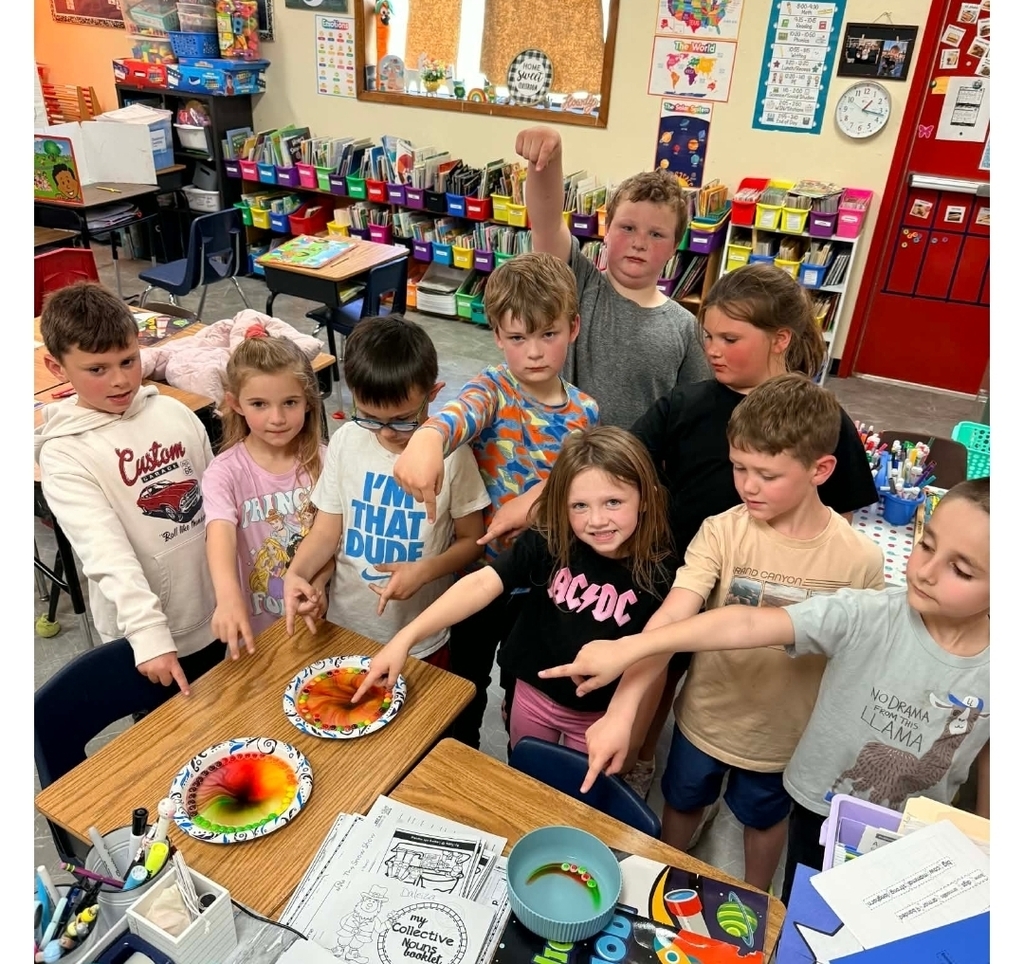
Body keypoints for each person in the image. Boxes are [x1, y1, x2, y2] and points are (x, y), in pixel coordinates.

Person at [542, 477, 990, 904]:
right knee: (802, 904)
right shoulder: (867, 614)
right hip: (820, 809)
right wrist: (631, 648)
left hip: (916, 838)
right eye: (926, 545)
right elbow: (746, 622)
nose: (925, 572)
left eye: (961, 570)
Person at [543, 374, 886, 892]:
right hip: (705, 718)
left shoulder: (859, 559)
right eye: (738, 467)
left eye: (767, 474)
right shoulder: (721, 530)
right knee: (681, 803)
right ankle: (663, 881)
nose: (747, 486)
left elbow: (860, 659)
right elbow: (672, 618)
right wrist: (621, 710)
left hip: (784, 737)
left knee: (764, 820)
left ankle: (755, 898)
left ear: (820, 469)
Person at [622, 263, 879, 799]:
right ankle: (641, 760)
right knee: (661, 669)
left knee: (747, 695)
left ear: (780, 339)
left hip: (767, 600)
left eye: (730, 339)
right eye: (708, 336)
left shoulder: (823, 419)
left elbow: (841, 524)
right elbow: (618, 460)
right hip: (682, 576)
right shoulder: (688, 404)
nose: (713, 350)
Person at [354, 427, 677, 754]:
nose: (596, 520)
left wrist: (635, 735)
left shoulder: (663, 571)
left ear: (646, 498)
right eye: (579, 505)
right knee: (523, 765)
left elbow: (654, 657)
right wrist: (405, 638)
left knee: (579, 784)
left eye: (613, 502)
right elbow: (482, 582)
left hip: (600, 714)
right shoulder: (549, 539)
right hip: (531, 695)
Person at [392, 252, 600, 747]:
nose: (534, 352)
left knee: (521, 690)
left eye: (548, 334)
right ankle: (458, 756)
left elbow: (579, 489)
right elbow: (458, 414)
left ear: (572, 328)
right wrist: (427, 439)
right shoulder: (494, 386)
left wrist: (540, 500)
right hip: (479, 578)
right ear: (498, 336)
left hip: (545, 587)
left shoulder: (586, 412)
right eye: (518, 338)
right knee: (464, 684)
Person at [35, 282, 222, 700]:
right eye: (97, 370)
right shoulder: (65, 455)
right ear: (57, 367)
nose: (120, 381)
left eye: (128, 361)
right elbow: (106, 553)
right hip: (149, 640)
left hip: (218, 610)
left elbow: (219, 508)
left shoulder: (174, 412)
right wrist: (149, 634)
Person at [282, 314, 490, 667]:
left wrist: (425, 571)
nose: (387, 432)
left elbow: (473, 541)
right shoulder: (346, 441)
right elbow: (326, 532)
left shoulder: (453, 456)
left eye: (403, 419)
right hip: (345, 626)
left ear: (433, 394)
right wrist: (296, 574)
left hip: (421, 638)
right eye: (369, 417)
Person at [514, 124, 711, 433]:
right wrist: (549, 157)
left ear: (674, 247)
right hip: (563, 454)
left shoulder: (687, 330)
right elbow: (547, 223)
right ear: (606, 231)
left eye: (656, 234)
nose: (639, 243)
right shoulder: (577, 282)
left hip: (635, 462)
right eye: (628, 228)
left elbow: (693, 418)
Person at [201, 327, 331, 656]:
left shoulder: (326, 461)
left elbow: (334, 538)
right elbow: (219, 535)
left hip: (321, 626)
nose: (277, 418)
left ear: (308, 401)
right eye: (259, 404)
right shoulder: (224, 472)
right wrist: (228, 598)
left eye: (290, 402)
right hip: (256, 636)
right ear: (236, 404)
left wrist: (318, 583)